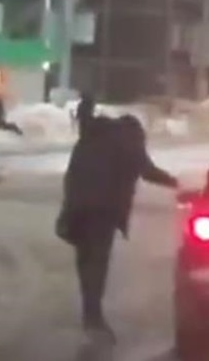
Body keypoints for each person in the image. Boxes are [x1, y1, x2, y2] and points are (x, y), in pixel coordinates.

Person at [57, 110, 178, 343]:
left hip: (77, 206)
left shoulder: (90, 137)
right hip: (103, 210)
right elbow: (148, 171)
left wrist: (69, 206)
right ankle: (93, 318)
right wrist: (176, 182)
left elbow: (71, 174)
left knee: (84, 260)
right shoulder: (128, 141)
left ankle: (90, 312)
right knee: (97, 263)